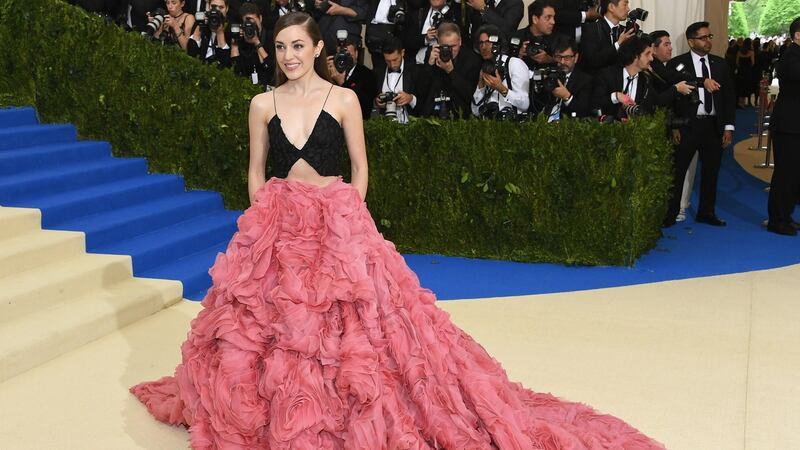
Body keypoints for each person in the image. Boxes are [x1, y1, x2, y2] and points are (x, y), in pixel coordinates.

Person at [130, 11, 667, 449]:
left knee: (357, 330)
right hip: (276, 223)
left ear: (317, 48)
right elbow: (255, 166)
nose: (289, 56)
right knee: (273, 326)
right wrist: (262, 217)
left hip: (336, 219)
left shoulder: (343, 100)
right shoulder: (260, 103)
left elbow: (361, 167)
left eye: (298, 46)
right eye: (280, 47)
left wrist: (349, 218)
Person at [664, 21, 736, 227]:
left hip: (713, 126)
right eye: (703, 37)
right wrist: (674, 126)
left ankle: (706, 212)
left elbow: (729, 97)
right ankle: (670, 214)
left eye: (709, 37)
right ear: (690, 41)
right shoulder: (678, 64)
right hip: (687, 125)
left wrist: (728, 127)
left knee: (711, 172)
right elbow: (671, 97)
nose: (707, 41)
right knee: (677, 172)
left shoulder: (720, 64)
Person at [648, 29, 697, 222]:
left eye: (670, 44)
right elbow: (657, 100)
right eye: (666, 44)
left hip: (667, 125)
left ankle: (669, 212)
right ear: (653, 48)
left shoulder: (662, 68)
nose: (671, 48)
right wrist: (676, 89)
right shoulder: (651, 69)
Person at [767, 17, 800, 236]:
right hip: (789, 124)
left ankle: (785, 215)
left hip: (794, 124)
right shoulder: (791, 55)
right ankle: (777, 220)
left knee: (794, 174)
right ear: (798, 34)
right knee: (785, 174)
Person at [419, 22, 482, 118]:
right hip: (434, 112)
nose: (450, 50)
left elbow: (471, 95)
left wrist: (451, 71)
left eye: (453, 46)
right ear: (438, 43)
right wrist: (430, 64)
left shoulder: (472, 59)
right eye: (445, 46)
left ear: (460, 41)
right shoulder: (431, 54)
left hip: (461, 115)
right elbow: (421, 90)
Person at [591, 34, 657, 119]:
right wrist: (616, 96)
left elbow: (649, 109)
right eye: (647, 54)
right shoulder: (607, 75)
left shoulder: (646, 80)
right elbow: (593, 104)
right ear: (635, 56)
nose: (651, 58)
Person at [472, 25, 530, 118]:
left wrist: (501, 88)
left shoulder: (514, 63)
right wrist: (481, 86)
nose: (483, 47)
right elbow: (475, 111)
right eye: (481, 43)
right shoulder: (486, 68)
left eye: (488, 42)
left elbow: (524, 104)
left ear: (498, 44)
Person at [539, 36, 593, 120]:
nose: (562, 62)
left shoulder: (585, 80)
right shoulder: (548, 75)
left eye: (567, 58)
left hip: (567, 127)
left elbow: (584, 111)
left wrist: (567, 97)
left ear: (576, 58)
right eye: (558, 57)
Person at [373, 36, 425, 123]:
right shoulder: (377, 72)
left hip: (410, 125)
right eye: (388, 61)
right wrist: (376, 102)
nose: (392, 64)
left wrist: (411, 99)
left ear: (402, 53)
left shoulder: (416, 72)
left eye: (395, 60)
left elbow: (425, 104)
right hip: (383, 126)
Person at [327, 32, 378, 119]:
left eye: (348, 55)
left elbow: (364, 106)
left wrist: (342, 83)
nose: (344, 59)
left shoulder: (367, 75)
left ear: (356, 53)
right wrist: (324, 72)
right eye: (341, 55)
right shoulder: (330, 70)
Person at [578, 0, 634, 77]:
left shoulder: (624, 31)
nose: (628, 9)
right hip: (595, 82)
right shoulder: (591, 29)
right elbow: (592, 60)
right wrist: (618, 44)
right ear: (611, 7)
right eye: (625, 5)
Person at [231, 2, 274, 88]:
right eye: (246, 23)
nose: (250, 26)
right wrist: (235, 44)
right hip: (247, 88)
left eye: (252, 22)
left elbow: (271, 68)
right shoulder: (242, 40)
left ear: (260, 18)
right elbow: (235, 70)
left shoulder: (271, 37)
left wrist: (257, 42)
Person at [735, 38, 755, 108]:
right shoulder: (751, 52)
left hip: (741, 71)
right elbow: (753, 63)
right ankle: (746, 102)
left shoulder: (739, 52)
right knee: (746, 86)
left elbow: (737, 63)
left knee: (740, 86)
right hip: (747, 71)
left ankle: (740, 102)